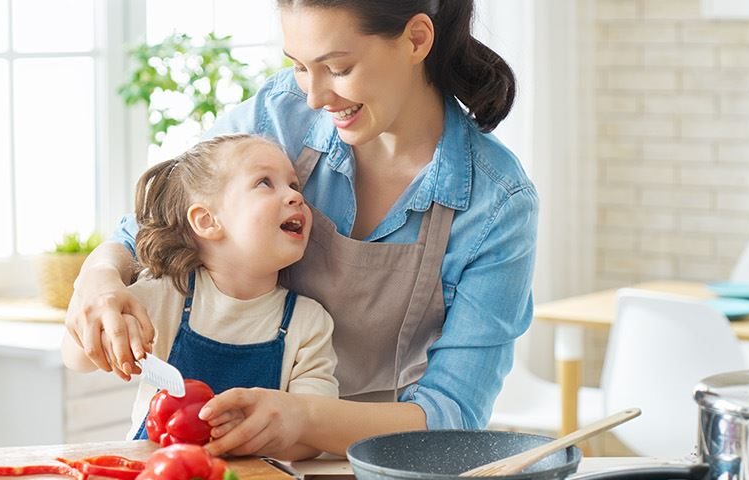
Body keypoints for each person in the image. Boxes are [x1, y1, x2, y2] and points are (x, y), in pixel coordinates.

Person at [65, 0, 536, 458]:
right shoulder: (281, 113)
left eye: (338, 68)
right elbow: (147, 225)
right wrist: (99, 277)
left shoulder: (497, 204)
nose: (315, 97)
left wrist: (303, 417)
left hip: (373, 459)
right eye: (299, 66)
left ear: (416, 39)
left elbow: (452, 413)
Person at [61, 134, 338, 461]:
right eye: (265, 182)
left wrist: (255, 434)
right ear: (207, 221)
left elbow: (312, 435)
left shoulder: (309, 322)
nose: (295, 196)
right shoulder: (166, 294)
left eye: (295, 186)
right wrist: (105, 336)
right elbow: (75, 358)